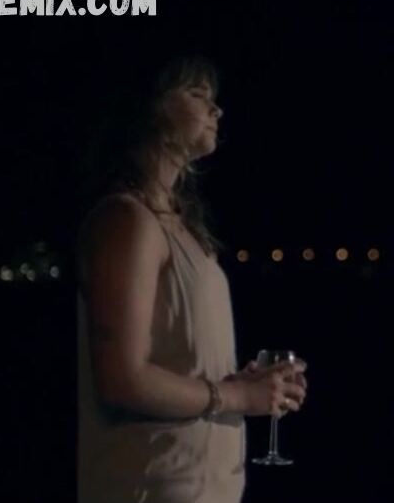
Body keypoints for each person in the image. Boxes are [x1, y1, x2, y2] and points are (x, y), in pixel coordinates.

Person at [76, 54, 308, 503]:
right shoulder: (127, 220)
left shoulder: (182, 228)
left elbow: (181, 367)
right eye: (197, 94)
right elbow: (122, 378)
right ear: (148, 107)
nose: (216, 109)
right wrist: (239, 397)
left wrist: (243, 383)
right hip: (152, 488)